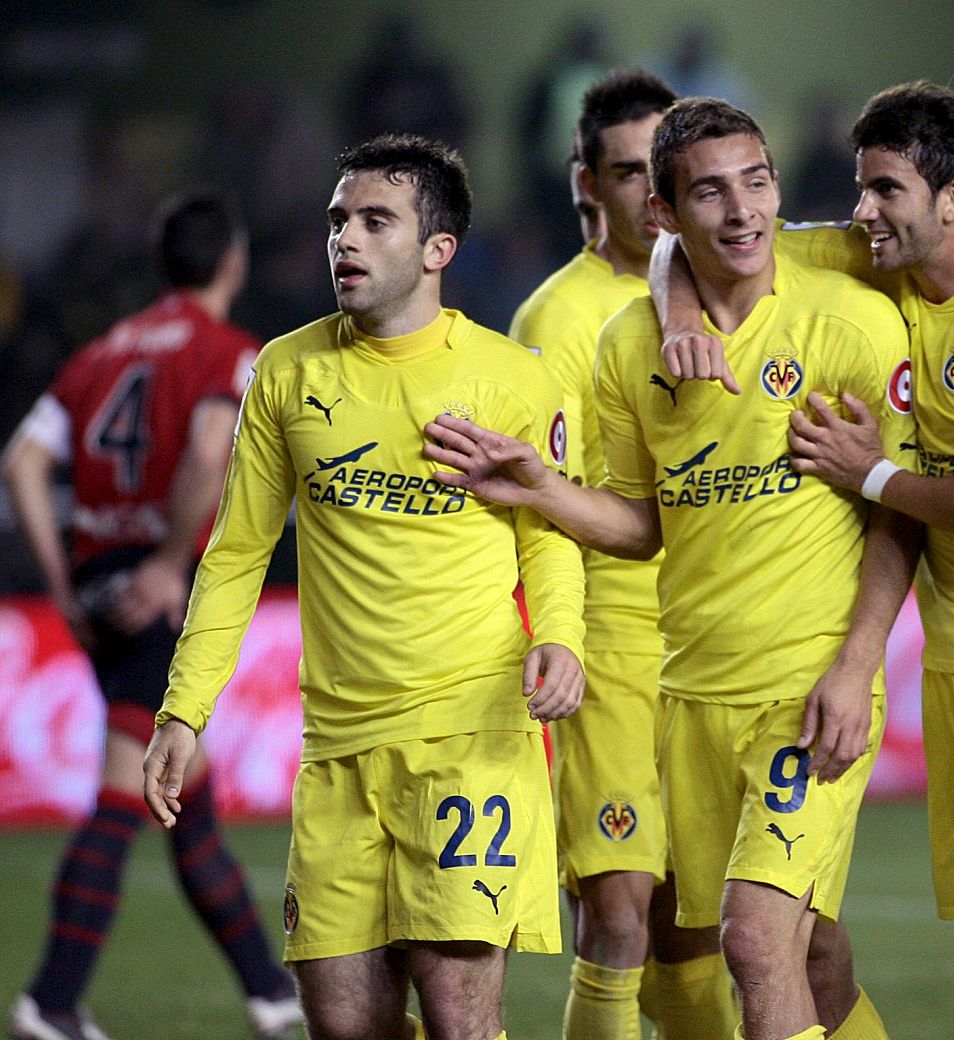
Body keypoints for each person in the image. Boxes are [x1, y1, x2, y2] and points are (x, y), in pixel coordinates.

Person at [424, 97, 913, 1040]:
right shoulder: (623, 345)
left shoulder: (851, 323)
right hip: (689, 694)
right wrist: (536, 487)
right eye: (712, 193)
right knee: (803, 951)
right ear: (665, 216)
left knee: (757, 942)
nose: (743, 212)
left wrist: (855, 667)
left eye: (758, 183)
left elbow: (901, 512)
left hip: (805, 687)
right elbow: (643, 523)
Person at [658, 82, 954, 1040]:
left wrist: (869, 473)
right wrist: (678, 318)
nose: (860, 213)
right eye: (858, 189)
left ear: (953, 203)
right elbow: (687, 237)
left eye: (884, 192)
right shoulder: (880, 267)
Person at [140, 135, 586, 1040]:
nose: (345, 238)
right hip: (338, 747)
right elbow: (236, 555)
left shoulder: (513, 380)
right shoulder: (286, 373)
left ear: (437, 250)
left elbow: (552, 533)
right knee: (345, 1026)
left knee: (462, 1019)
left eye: (374, 220)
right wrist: (182, 714)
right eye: (338, 218)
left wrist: (563, 635)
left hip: (470, 735)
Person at [3, 192, 302, 1040]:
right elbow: (211, 450)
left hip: (98, 583)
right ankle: (52, 1001)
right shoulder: (226, 352)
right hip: (157, 591)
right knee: (128, 783)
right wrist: (172, 563)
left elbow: (23, 462)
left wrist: (63, 586)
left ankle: (269, 992)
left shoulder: (100, 352)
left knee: (187, 798)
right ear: (232, 263)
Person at [508, 70, 739, 1040]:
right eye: (626, 172)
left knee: (698, 927)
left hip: (711, 645)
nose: (650, 195)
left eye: (664, 173)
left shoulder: (727, 294)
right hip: (609, 649)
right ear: (584, 185)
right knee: (614, 910)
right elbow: (548, 501)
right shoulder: (553, 322)